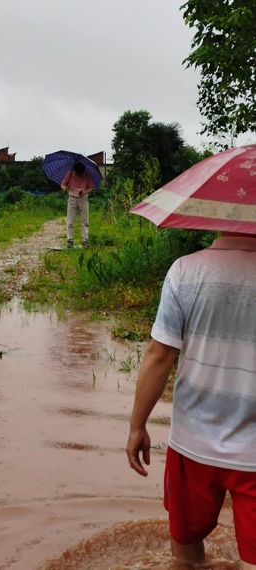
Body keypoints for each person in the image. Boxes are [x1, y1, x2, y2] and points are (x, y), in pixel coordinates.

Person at [126, 232, 256, 569]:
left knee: (185, 548)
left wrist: (137, 425)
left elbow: (159, 355)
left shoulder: (185, 271)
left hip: (192, 443)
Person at [61, 162, 94, 248]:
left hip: (83, 198)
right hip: (72, 198)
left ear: (82, 172)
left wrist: (84, 192)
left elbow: (91, 187)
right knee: (70, 220)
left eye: (79, 174)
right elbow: (63, 184)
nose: (77, 175)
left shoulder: (87, 175)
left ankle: (85, 240)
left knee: (85, 220)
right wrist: (64, 187)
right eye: (76, 173)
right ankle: (70, 240)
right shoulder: (69, 174)